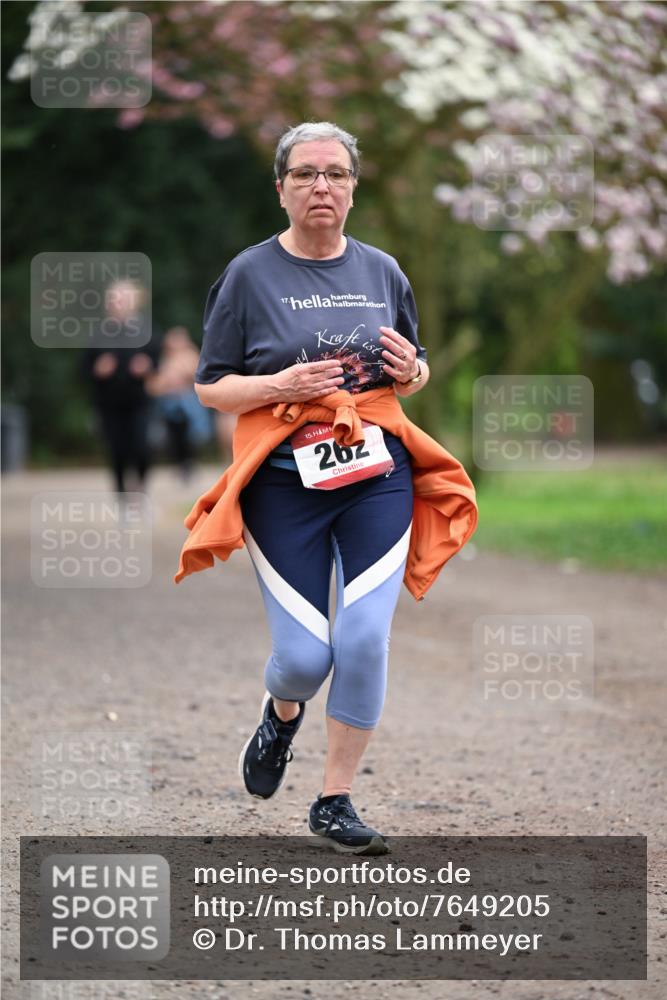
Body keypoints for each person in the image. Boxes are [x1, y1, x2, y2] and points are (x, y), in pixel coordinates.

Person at [178, 122, 478, 855]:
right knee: (307, 658)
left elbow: (413, 367)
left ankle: (334, 799)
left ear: (352, 187)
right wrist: (277, 385)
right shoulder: (248, 275)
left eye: (336, 174)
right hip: (283, 488)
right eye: (306, 173)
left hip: (376, 478)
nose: (322, 186)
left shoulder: (382, 269)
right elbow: (210, 387)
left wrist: (414, 373)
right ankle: (280, 716)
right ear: (280, 187)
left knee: (364, 638)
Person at [82, 279, 158, 496]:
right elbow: (83, 369)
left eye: (123, 298)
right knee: (117, 449)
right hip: (109, 403)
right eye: (114, 298)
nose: (118, 303)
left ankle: (141, 486)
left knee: (142, 446)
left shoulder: (148, 330)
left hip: (140, 400)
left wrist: (148, 366)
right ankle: (121, 493)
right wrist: (97, 370)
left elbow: (158, 362)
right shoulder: (98, 334)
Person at [146, 326, 212, 481]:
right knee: (173, 437)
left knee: (191, 436)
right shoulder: (164, 359)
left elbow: (198, 376)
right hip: (169, 405)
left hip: (188, 404)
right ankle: (180, 464)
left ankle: (189, 464)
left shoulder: (191, 356)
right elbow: (155, 385)